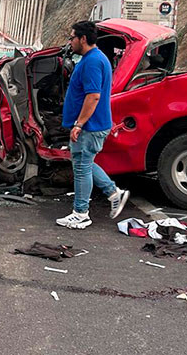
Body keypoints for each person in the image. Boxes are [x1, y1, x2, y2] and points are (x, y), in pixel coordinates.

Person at [57, 21, 129, 230]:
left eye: (72, 38)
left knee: (81, 167)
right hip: (94, 124)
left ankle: (80, 213)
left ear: (83, 39)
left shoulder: (92, 62)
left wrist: (79, 124)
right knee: (84, 162)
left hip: (90, 126)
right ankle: (113, 193)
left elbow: (94, 96)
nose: (70, 42)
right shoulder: (94, 59)